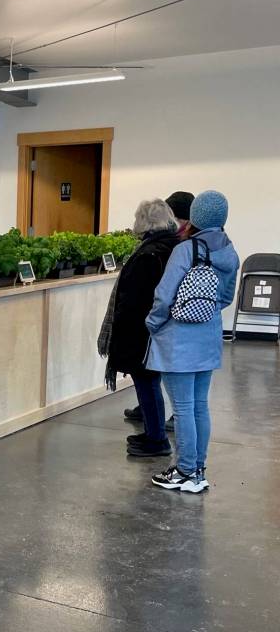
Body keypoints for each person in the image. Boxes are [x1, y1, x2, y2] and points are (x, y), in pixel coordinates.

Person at [146, 190, 239, 494]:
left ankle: (185, 471)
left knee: (183, 407)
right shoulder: (229, 251)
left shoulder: (186, 250)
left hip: (178, 341)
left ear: (196, 216)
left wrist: (153, 322)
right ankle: (198, 470)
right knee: (200, 406)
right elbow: (225, 298)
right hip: (209, 339)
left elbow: (164, 295)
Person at [102, 200, 180, 458]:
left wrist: (122, 336)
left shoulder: (149, 254)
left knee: (146, 383)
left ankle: (156, 439)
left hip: (143, 332)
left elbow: (136, 300)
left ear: (144, 221)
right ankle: (154, 433)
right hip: (164, 330)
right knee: (151, 382)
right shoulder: (174, 247)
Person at [122, 190, 194, 427]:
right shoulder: (177, 244)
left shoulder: (164, 250)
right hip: (173, 324)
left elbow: (157, 295)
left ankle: (160, 433)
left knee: (151, 377)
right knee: (153, 377)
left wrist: (151, 322)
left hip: (162, 324)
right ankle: (151, 414)